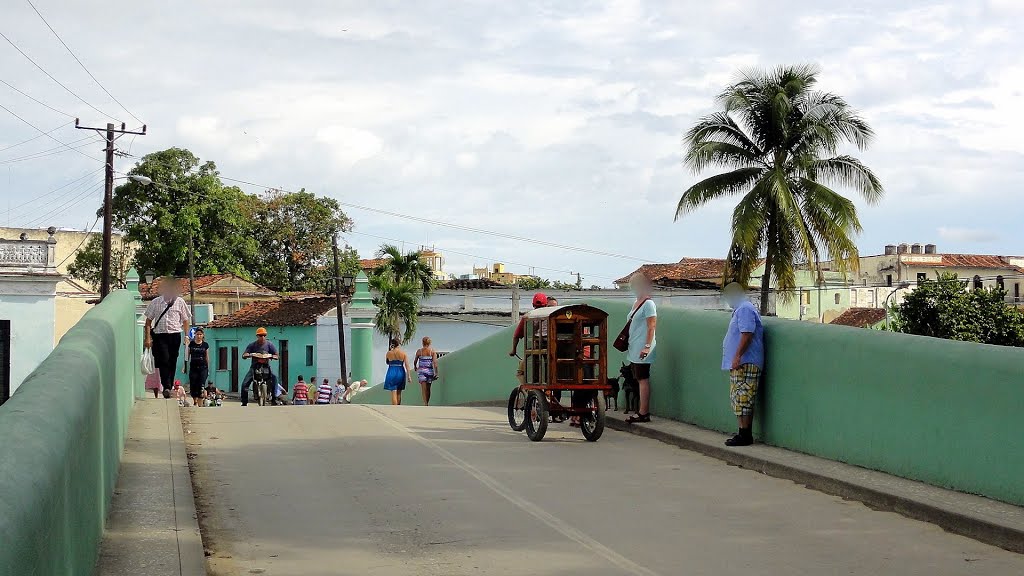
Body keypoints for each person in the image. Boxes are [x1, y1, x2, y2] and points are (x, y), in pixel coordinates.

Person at [721, 282, 765, 447]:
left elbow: (747, 333)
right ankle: (742, 432)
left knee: (743, 397)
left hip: (746, 361)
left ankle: (745, 434)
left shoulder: (745, 308)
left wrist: (737, 356)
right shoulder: (740, 309)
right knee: (739, 398)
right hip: (740, 362)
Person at [143, 278, 191, 394]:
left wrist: (186, 335)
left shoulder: (180, 302)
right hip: (160, 336)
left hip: (175, 334)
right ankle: (167, 386)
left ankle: (169, 383)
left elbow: (185, 320)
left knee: (172, 360)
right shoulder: (155, 302)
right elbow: (148, 322)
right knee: (164, 359)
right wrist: (148, 338)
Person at [625, 273, 657, 424]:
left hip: (643, 347)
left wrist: (647, 346)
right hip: (634, 346)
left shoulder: (649, 304)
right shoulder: (636, 302)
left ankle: (643, 412)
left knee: (643, 378)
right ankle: (640, 410)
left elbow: (651, 326)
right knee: (637, 378)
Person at [509, 292, 549, 385]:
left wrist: (513, 350)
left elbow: (517, 335)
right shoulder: (551, 314)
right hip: (552, 346)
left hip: (538, 345)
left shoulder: (528, 316)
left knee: (524, 367)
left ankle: (533, 384)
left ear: (533, 304)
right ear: (546, 304)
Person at [240, 327, 278, 406]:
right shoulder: (252, 345)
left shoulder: (269, 345)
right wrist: (247, 355)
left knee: (274, 378)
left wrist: (273, 356)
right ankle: (244, 401)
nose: (262, 337)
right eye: (260, 335)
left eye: (264, 335)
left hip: (266, 366)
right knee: (245, 383)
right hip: (255, 366)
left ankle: (274, 399)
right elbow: (244, 354)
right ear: (257, 336)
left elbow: (277, 355)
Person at [383, 338, 411, 405]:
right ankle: (398, 407)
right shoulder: (403, 353)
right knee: (399, 391)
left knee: (393, 391)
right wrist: (409, 376)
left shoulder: (389, 353)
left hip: (391, 370)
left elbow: (387, 362)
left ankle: (394, 408)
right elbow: (407, 365)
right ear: (399, 344)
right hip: (400, 371)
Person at [187, 328, 210, 406]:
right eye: (197, 334)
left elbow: (207, 357)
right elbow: (187, 356)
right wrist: (185, 366)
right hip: (193, 367)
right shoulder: (191, 344)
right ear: (195, 335)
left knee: (201, 384)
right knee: (193, 384)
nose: (199, 336)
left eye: (200, 334)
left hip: (203, 367)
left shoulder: (205, 345)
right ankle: (195, 400)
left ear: (203, 335)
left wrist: (208, 368)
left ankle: (200, 402)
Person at [414, 336, 439, 406]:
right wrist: (436, 372)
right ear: (430, 343)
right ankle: (427, 402)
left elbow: (415, 361)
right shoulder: (432, 351)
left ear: (422, 343)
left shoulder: (419, 351)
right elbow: (435, 363)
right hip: (430, 371)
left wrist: (415, 366)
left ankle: (425, 403)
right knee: (428, 388)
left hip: (421, 371)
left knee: (423, 389)